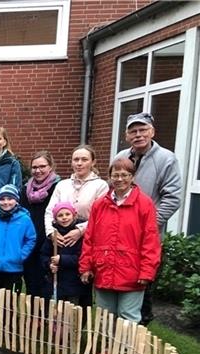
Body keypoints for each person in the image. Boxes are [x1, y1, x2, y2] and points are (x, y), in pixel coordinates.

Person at [114, 112, 183, 325]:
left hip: (146, 235)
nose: (138, 135)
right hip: (121, 233)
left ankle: (140, 327)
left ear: (152, 132)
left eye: (143, 130)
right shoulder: (122, 157)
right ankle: (120, 326)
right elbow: (113, 188)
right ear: (126, 135)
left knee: (142, 282)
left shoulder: (166, 159)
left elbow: (172, 197)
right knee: (121, 281)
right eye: (133, 131)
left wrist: (149, 224)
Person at [79, 158, 161, 323]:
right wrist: (86, 266)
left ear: (132, 177)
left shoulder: (145, 204)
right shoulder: (99, 204)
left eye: (124, 175)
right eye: (115, 175)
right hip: (104, 268)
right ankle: (108, 348)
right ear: (110, 177)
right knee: (105, 316)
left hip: (132, 271)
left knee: (128, 316)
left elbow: (150, 240)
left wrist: (147, 271)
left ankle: (126, 350)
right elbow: (90, 238)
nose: (119, 179)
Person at [44, 145, 108, 246]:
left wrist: (80, 231)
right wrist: (51, 232)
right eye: (76, 160)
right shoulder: (62, 185)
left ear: (93, 162)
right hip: (62, 240)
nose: (79, 163)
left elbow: (102, 216)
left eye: (84, 159)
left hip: (88, 240)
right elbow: (49, 212)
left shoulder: (100, 185)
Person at [20, 151, 61, 298]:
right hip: (30, 241)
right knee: (31, 282)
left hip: (49, 241)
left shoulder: (58, 187)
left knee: (47, 281)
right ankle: (34, 317)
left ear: (50, 167)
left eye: (42, 166)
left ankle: (47, 316)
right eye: (34, 167)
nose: (38, 171)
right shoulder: (25, 190)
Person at [0, 184, 36, 291]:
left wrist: (20, 256)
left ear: (16, 200)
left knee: (10, 301)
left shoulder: (24, 219)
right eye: (2, 199)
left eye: (10, 199)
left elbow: (31, 239)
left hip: (14, 268)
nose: (6, 202)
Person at [39, 202, 90, 305]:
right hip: (56, 281)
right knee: (56, 309)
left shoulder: (80, 236)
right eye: (60, 215)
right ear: (55, 219)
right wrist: (49, 264)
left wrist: (61, 259)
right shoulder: (53, 235)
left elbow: (81, 257)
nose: (64, 218)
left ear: (74, 215)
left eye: (67, 214)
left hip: (74, 282)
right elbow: (43, 255)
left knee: (72, 309)